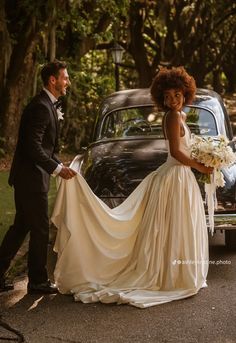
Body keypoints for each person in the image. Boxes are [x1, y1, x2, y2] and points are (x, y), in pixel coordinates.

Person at [51, 66, 213, 308]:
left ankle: (179, 271)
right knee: (173, 225)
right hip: (175, 176)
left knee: (178, 225)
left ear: (185, 93)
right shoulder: (171, 117)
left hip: (180, 177)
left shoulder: (179, 115)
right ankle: (171, 274)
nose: (173, 101)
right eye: (167, 96)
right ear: (161, 98)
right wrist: (200, 166)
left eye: (177, 95)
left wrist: (206, 158)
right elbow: (177, 152)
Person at [0, 60, 76, 294]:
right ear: (52, 80)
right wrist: (56, 168)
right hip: (30, 178)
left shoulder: (47, 105)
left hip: (30, 176)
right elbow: (33, 147)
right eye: (64, 78)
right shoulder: (41, 107)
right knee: (41, 228)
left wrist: (57, 162)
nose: (67, 82)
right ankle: (37, 280)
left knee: (21, 226)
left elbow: (43, 145)